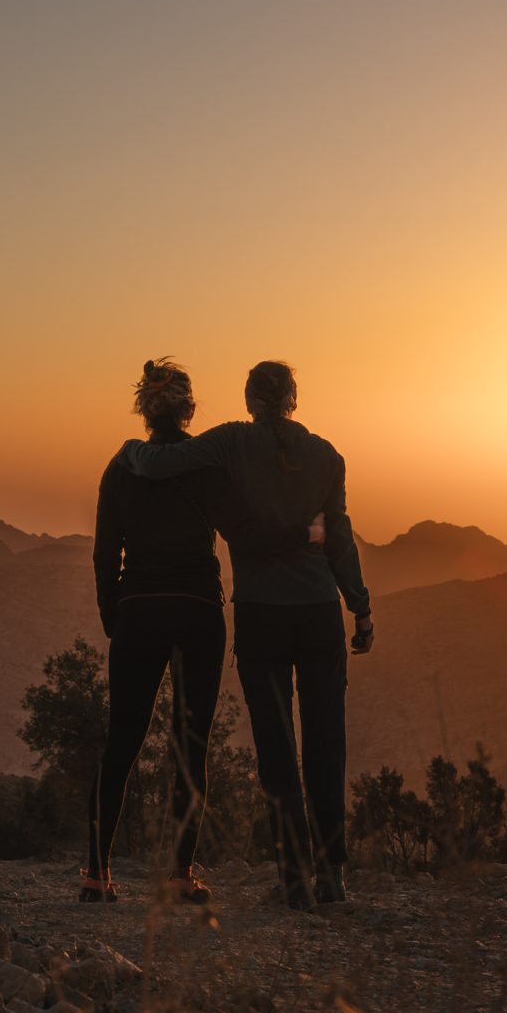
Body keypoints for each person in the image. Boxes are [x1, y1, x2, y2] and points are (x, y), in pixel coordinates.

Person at [116, 360, 373, 910]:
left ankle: (293, 878)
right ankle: (333, 876)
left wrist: (128, 451)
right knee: (327, 742)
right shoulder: (328, 456)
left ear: (249, 399)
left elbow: (161, 463)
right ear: (293, 399)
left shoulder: (232, 442)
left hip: (262, 614)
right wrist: (362, 607)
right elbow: (341, 539)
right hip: (320, 611)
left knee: (277, 749)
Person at [86, 358, 319, 905]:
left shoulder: (120, 468)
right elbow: (243, 532)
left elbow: (104, 552)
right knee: (191, 745)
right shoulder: (207, 468)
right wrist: (307, 530)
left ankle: (96, 875)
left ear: (145, 410)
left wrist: (113, 615)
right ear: (189, 409)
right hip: (196, 613)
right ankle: (179, 875)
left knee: (121, 740)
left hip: (138, 610)